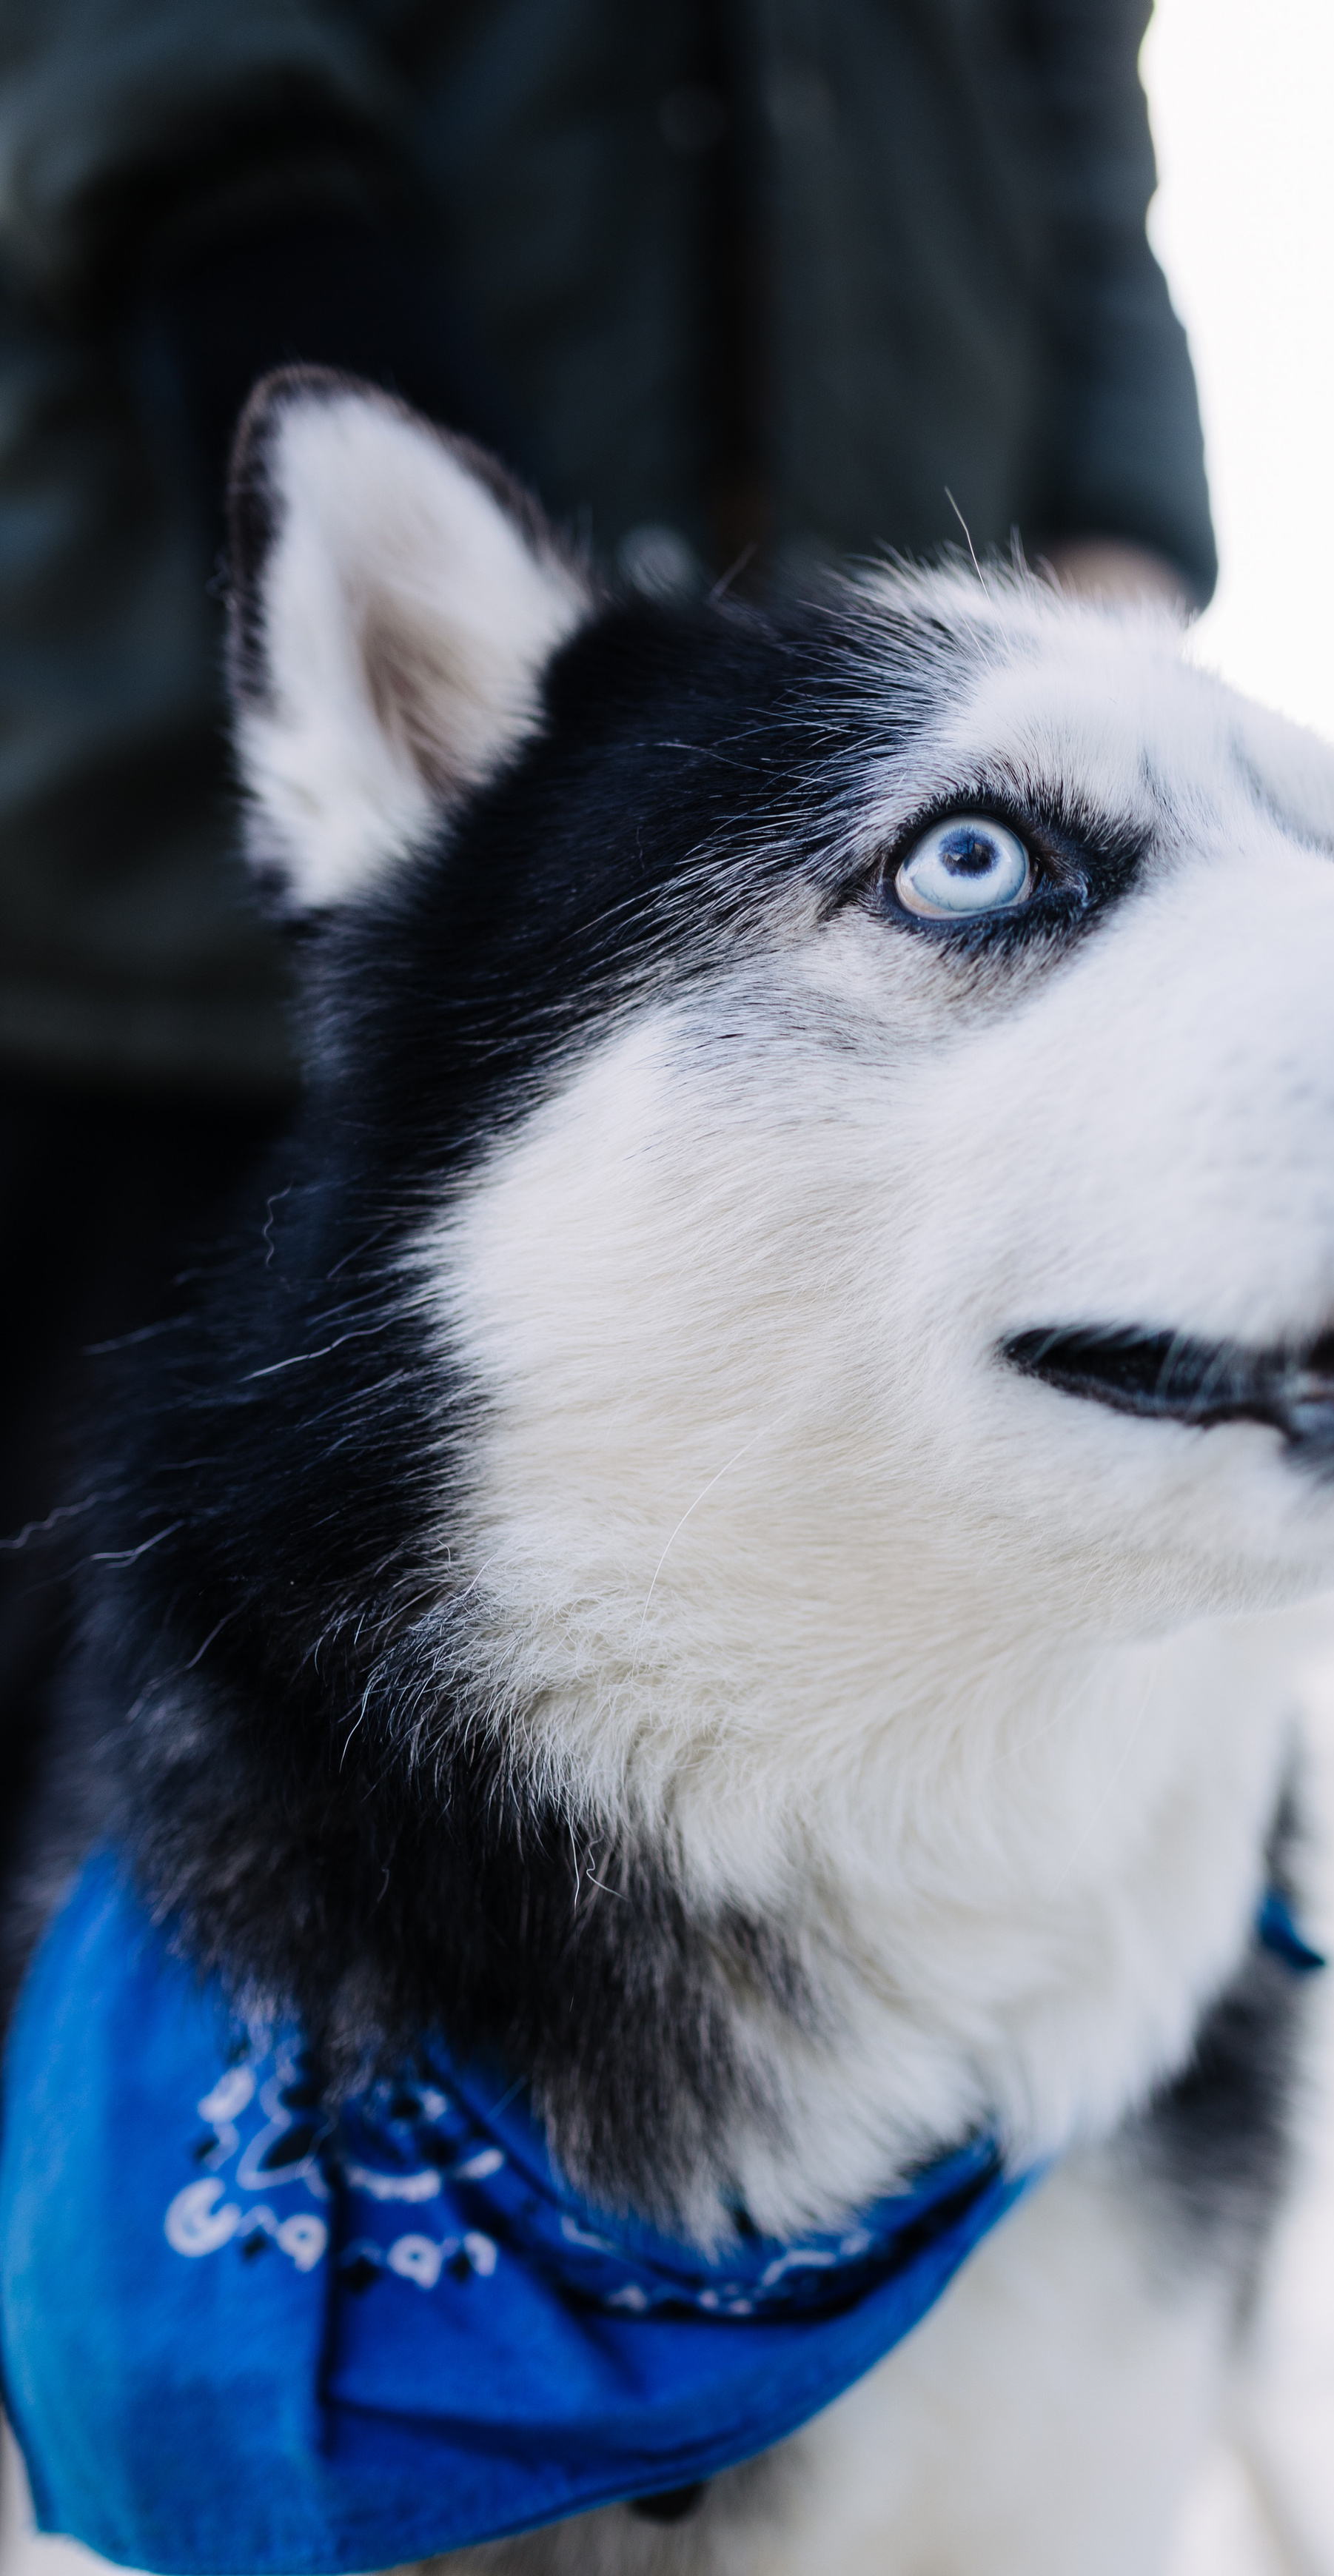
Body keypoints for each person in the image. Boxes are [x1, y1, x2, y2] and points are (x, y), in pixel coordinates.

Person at [0, 0, 1217, 1871]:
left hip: (833, 880)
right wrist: (278, 291)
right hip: (176, 799)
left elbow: (1077, 106)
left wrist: (1113, 563)